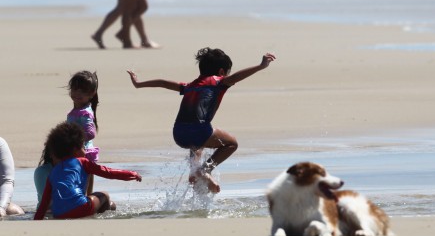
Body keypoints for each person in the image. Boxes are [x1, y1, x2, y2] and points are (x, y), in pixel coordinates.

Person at [127, 48, 276, 193]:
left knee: (197, 147)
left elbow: (163, 82)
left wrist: (139, 84)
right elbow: (237, 77)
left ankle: (194, 175)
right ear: (221, 72)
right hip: (200, 131)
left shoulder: (189, 86)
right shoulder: (219, 82)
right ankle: (205, 171)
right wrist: (261, 66)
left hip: (178, 133)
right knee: (231, 143)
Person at [33, 122, 142, 220]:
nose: (85, 151)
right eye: (83, 147)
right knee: (104, 195)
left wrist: (36, 221)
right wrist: (132, 174)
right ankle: (102, 221)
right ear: (76, 150)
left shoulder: (53, 173)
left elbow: (44, 203)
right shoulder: (83, 162)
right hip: (81, 207)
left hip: (59, 214)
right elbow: (108, 172)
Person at [66, 70, 100, 195]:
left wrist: (73, 138)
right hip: (76, 151)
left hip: (84, 152)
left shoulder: (84, 113)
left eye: (83, 91)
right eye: (75, 89)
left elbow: (90, 133)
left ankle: (86, 203)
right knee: (80, 182)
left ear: (91, 94)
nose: (77, 93)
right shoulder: (77, 110)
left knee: (84, 186)